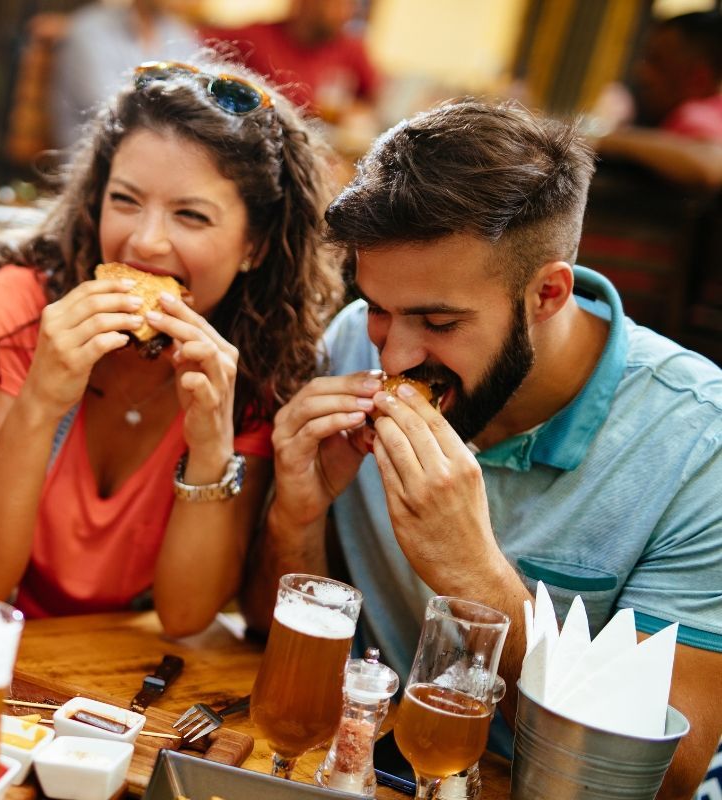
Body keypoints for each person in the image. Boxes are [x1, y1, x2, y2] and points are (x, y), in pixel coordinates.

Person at [251, 99, 722, 797]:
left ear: (548, 294)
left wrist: (474, 576)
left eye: (438, 321)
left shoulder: (698, 444)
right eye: (379, 304)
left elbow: (666, 777)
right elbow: (266, 634)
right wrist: (296, 517)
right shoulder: (350, 343)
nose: (399, 353)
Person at [0, 55, 341, 636]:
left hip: (115, 679)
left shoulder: (260, 364)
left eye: (191, 215)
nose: (144, 243)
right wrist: (42, 400)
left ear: (254, 244)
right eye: (126, 200)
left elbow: (184, 616)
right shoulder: (19, 313)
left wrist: (210, 446)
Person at [593, 11, 722, 189]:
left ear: (698, 79)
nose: (642, 72)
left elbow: (712, 163)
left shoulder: (696, 113)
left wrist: (601, 139)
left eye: (657, 61)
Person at [49, 0, 199, 149]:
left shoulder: (179, 33)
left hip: (160, 148)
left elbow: (198, 97)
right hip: (98, 153)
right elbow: (112, 109)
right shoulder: (89, 29)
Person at [201, 0, 378, 120]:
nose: (344, 13)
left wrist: (349, 113)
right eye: (335, 3)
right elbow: (196, 46)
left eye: (349, 5)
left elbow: (376, 101)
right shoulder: (254, 37)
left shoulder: (350, 47)